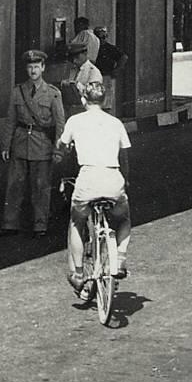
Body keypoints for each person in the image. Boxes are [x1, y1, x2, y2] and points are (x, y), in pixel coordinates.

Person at [58, 80, 132, 294]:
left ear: (83, 100)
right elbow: (124, 158)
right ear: (105, 100)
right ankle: (119, 260)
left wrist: (62, 148)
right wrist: (125, 181)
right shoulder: (116, 123)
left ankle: (79, 273)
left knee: (76, 222)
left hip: (88, 179)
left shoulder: (75, 121)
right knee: (124, 219)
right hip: (112, 178)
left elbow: (62, 145)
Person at [0, 49, 65, 236]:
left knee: (41, 187)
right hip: (20, 143)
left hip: (42, 144)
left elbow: (60, 124)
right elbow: (11, 120)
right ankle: (10, 223)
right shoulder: (17, 92)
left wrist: (58, 149)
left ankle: (40, 225)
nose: (33, 71)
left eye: (36, 67)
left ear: (43, 68)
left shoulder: (53, 94)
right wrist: (6, 145)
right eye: (30, 67)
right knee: (14, 185)